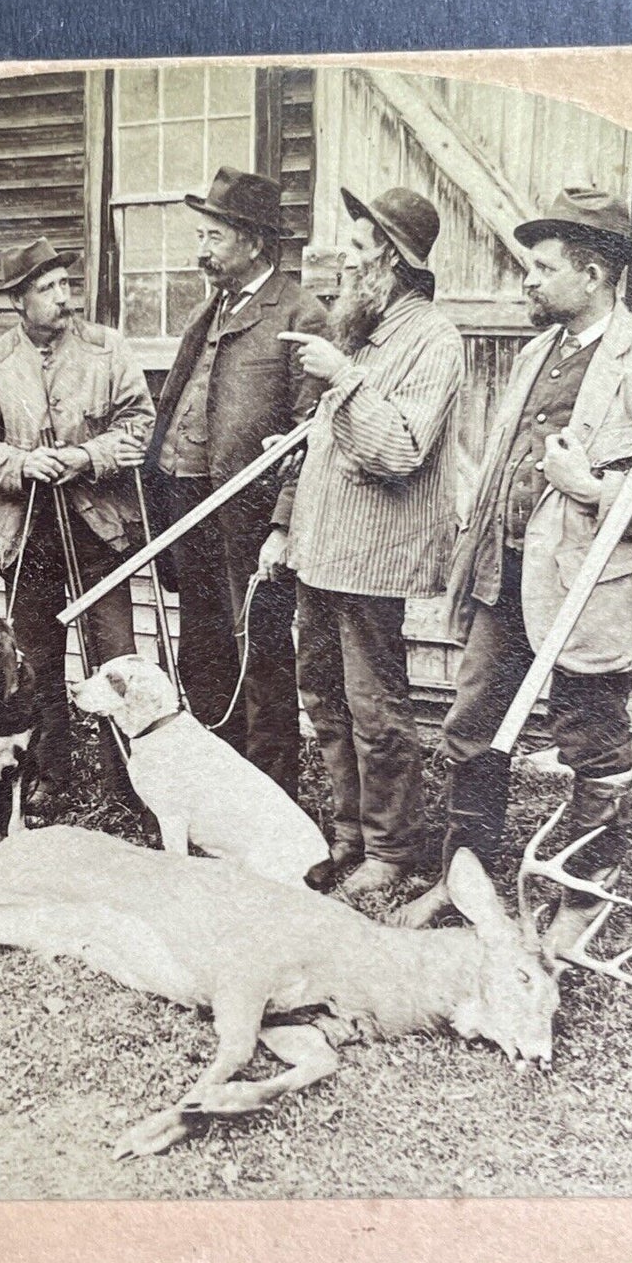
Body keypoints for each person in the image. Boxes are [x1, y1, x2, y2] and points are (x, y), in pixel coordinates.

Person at [397, 187, 632, 935]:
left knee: (590, 740)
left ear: (594, 273)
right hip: (504, 576)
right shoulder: (536, 352)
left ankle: (579, 897)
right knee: (471, 724)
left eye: (541, 268)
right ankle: (462, 881)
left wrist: (592, 487)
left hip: (591, 589)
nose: (526, 281)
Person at [258, 187, 463, 894]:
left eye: (355, 248)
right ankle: (345, 834)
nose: (341, 261)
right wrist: (284, 524)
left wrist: (343, 379)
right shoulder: (360, 331)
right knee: (322, 695)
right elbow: (325, 447)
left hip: (371, 560)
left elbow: (399, 449)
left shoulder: (433, 339)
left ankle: (389, 849)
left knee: (375, 708)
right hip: (319, 552)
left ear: (390, 261)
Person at [144, 167, 327, 798]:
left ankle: (269, 795)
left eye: (213, 236)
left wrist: (281, 523)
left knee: (262, 654)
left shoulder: (301, 313)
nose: (202, 250)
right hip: (187, 504)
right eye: (201, 234)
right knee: (204, 644)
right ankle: (216, 785)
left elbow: (311, 434)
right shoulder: (210, 309)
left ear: (252, 242)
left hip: (249, 519)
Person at [0, 238, 154, 805]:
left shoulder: (106, 349)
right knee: (34, 662)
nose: (63, 299)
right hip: (28, 537)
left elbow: (140, 425)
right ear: (18, 299)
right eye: (47, 289)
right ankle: (50, 777)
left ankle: (127, 783)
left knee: (116, 656)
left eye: (66, 285)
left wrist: (86, 457)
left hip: (100, 529)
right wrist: (22, 463)